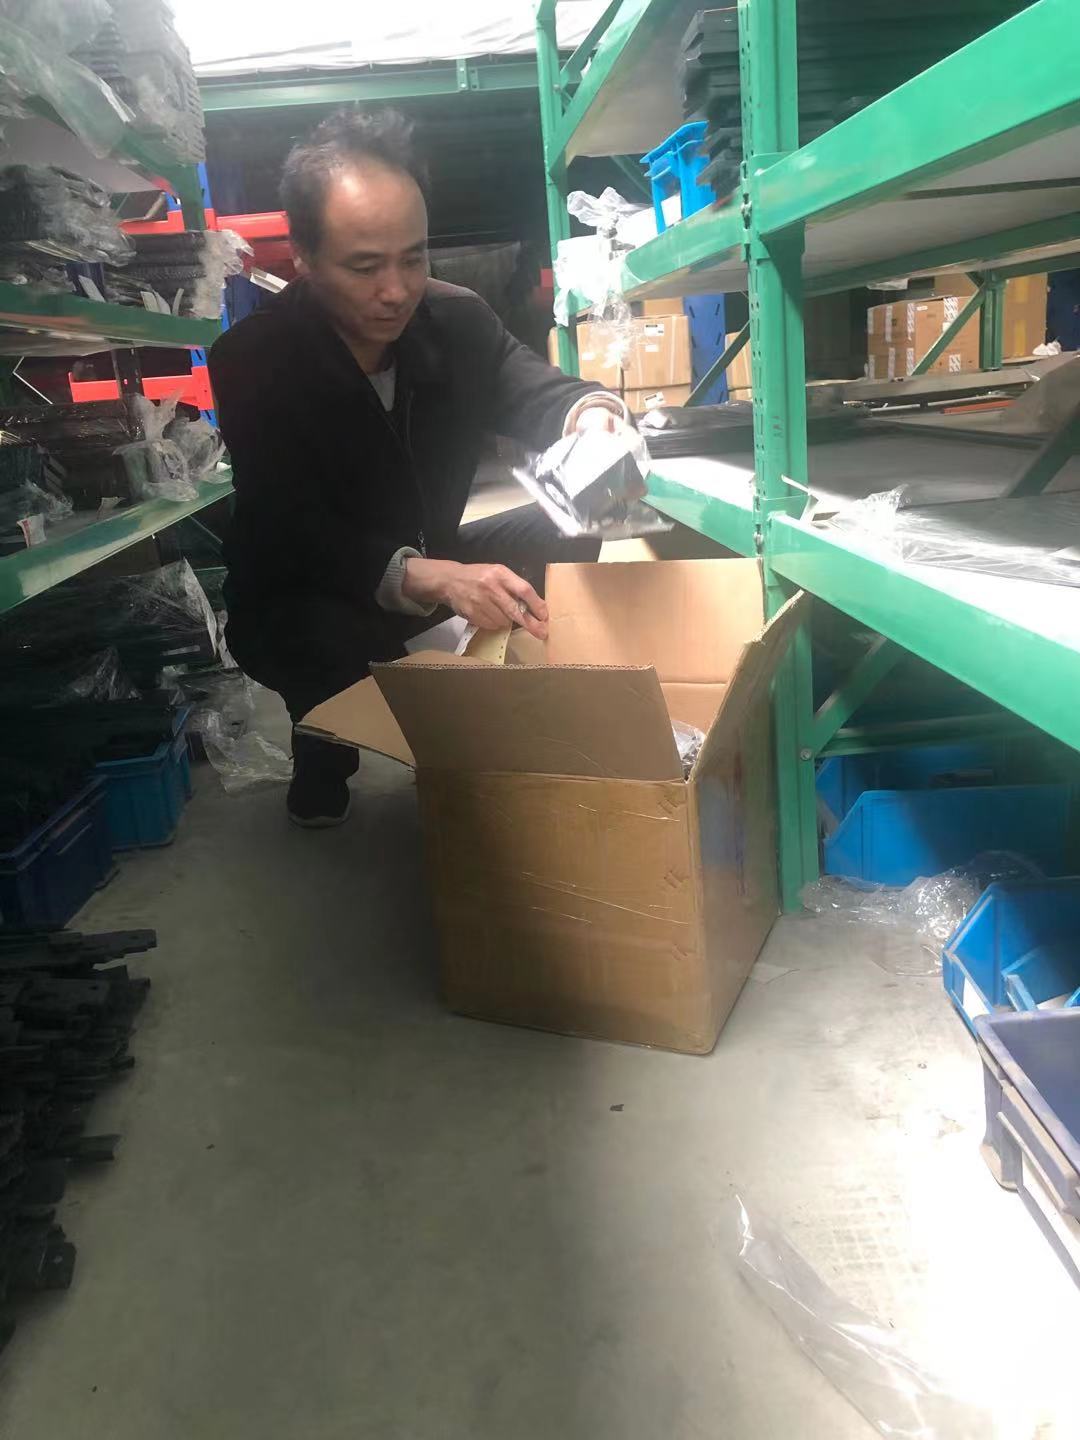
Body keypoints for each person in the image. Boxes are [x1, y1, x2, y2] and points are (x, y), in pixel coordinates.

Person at [209, 108, 632, 827]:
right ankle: (324, 744)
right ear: (303, 258)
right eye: (365, 266)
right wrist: (431, 577)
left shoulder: (457, 321)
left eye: (414, 258)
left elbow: (535, 389)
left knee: (571, 525)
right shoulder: (253, 361)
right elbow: (292, 527)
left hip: (434, 557)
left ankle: (507, 697)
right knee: (324, 648)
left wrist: (592, 419)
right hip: (303, 590)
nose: (397, 290)